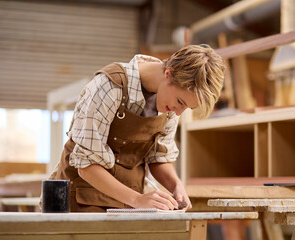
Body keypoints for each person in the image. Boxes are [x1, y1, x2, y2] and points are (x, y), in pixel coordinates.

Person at [48, 44, 225, 212]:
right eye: (180, 102)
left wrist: (176, 186)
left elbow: (159, 158)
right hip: (80, 201)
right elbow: (86, 166)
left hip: (129, 205)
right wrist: (138, 200)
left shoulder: (170, 105)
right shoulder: (110, 86)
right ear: (168, 73)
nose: (178, 113)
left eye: (187, 107)